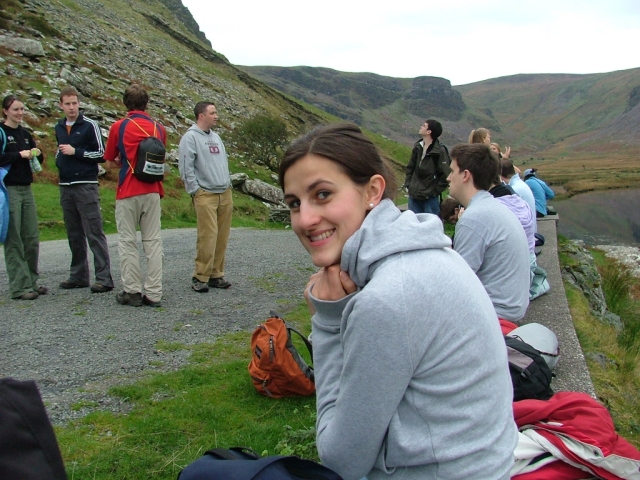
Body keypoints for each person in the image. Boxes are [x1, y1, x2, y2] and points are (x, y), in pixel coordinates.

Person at [279, 123, 517, 480]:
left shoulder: (387, 299)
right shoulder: (424, 248)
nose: (305, 219)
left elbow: (340, 460)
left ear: (372, 191)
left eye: (323, 194)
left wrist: (328, 323)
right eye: (295, 203)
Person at [447, 143, 530, 322]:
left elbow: (457, 283)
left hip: (495, 315)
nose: (448, 178)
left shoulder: (474, 218)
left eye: (452, 171)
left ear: (465, 175)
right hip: (511, 308)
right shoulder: (491, 207)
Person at [104, 83, 165, 307]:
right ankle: (154, 292)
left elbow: (109, 162)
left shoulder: (119, 127)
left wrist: (122, 161)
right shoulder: (159, 128)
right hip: (153, 189)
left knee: (128, 241)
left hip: (128, 190)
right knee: (153, 241)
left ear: (125, 103)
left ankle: (132, 291)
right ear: (146, 103)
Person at [54, 86, 114, 293]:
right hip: (65, 185)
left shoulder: (90, 125)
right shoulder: (59, 127)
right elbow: (59, 150)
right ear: (61, 105)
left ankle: (104, 278)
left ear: (79, 104)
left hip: (86, 184)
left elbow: (101, 154)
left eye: (74, 103)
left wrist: (76, 152)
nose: (72, 107)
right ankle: (78, 275)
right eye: (67, 104)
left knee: (93, 231)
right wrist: (59, 160)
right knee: (73, 233)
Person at [178, 102, 232, 292]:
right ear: (201, 115)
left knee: (222, 237)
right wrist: (195, 190)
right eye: (212, 113)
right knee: (207, 236)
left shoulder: (216, 137)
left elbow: (223, 162)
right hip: (206, 194)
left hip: (224, 193)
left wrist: (228, 184)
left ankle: (216, 274)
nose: (216, 116)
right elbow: (186, 167)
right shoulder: (190, 138)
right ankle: (200, 275)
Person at [0, 95, 47, 300]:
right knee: (14, 238)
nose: (20, 113)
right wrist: (19, 155)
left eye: (21, 109)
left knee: (31, 237)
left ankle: (31, 281)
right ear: (5, 111)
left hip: (26, 188)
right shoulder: (2, 132)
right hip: (8, 189)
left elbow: (38, 158)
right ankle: (19, 287)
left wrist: (37, 153)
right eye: (15, 109)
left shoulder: (25, 133)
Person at [403, 119, 450, 216]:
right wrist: (409, 185)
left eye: (424, 126)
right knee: (413, 222)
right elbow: (410, 168)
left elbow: (445, 174)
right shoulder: (418, 147)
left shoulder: (440, 151)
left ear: (429, 132)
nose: (421, 127)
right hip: (414, 196)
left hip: (429, 199)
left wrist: (433, 192)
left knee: (430, 223)